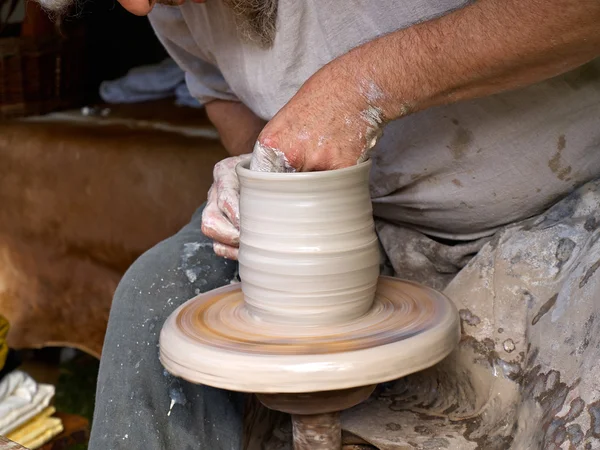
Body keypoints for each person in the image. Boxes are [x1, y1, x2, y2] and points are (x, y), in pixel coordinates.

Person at [39, 0, 600, 447]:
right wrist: (254, 170)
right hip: (360, 219)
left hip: (566, 205)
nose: (138, 8)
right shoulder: (168, 3)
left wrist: (361, 86)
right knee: (153, 299)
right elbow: (224, 96)